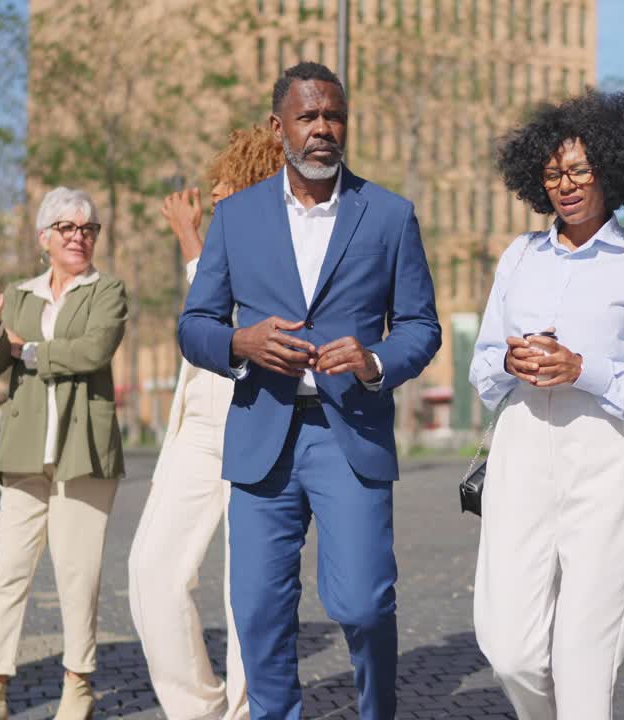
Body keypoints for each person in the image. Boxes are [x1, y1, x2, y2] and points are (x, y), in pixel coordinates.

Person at [178, 62, 441, 720]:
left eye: (334, 116)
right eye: (309, 116)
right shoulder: (237, 218)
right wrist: (240, 343)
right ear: (279, 126)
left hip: (347, 429)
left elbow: (421, 326)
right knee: (260, 613)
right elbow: (193, 326)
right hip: (262, 431)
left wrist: (374, 360)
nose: (324, 128)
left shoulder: (388, 215)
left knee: (362, 602)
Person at [468, 90, 624, 720]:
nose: (565, 185)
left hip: (604, 458)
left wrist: (583, 369)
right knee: (510, 648)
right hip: (520, 456)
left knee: (585, 656)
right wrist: (511, 362)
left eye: (579, 170)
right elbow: (483, 363)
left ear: (611, 170)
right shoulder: (520, 257)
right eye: (552, 173)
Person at [128, 126, 284, 720]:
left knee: (246, 587)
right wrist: (195, 242)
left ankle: (248, 711)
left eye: (226, 180)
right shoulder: (220, 242)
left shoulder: (279, 239)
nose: (214, 188)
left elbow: (240, 316)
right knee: (151, 569)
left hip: (258, 421)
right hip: (197, 427)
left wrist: (190, 239)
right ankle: (197, 709)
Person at [0, 187, 128, 720]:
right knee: (8, 568)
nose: (79, 236)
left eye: (88, 228)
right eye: (67, 228)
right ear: (44, 238)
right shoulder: (19, 294)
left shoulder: (108, 290)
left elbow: (93, 350)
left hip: (85, 451)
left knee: (78, 571)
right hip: (25, 449)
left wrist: (24, 348)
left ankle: (78, 685)